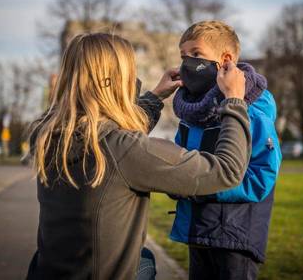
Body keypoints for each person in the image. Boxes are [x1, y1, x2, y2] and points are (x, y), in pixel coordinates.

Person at [25, 32, 252, 280]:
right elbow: (227, 171)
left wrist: (154, 98)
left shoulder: (49, 136)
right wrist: (234, 100)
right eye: (130, 72)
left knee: (144, 259)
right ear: (111, 82)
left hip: (48, 272)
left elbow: (110, 134)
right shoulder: (123, 149)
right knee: (144, 262)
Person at [169, 21, 282, 280]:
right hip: (197, 230)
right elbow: (178, 161)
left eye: (196, 54)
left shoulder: (252, 110)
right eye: (183, 56)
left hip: (234, 236)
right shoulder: (191, 113)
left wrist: (201, 188)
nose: (187, 62)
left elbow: (262, 176)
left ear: (225, 60)